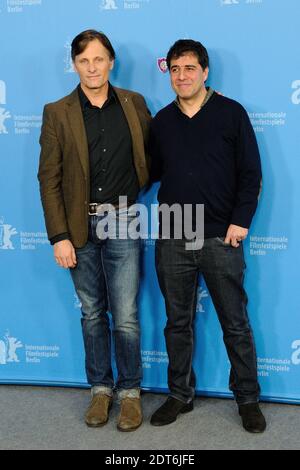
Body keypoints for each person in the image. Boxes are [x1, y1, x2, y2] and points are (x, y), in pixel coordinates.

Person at [149, 39, 266, 433]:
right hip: (173, 235)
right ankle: (179, 394)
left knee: (235, 322)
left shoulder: (231, 114)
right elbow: (148, 172)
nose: (182, 76)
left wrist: (241, 221)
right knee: (176, 322)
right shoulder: (162, 121)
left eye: (190, 68)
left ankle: (248, 397)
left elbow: (251, 174)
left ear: (205, 71)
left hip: (221, 238)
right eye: (175, 69)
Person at [38, 30, 151, 432]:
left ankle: (131, 395)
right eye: (84, 61)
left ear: (111, 62)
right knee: (91, 314)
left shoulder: (134, 104)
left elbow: (160, 149)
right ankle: (101, 391)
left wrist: (209, 107)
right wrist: (58, 236)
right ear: (74, 64)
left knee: (125, 315)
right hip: (76, 224)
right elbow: (48, 178)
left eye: (99, 59)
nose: (92, 68)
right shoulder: (57, 111)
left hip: (123, 218)